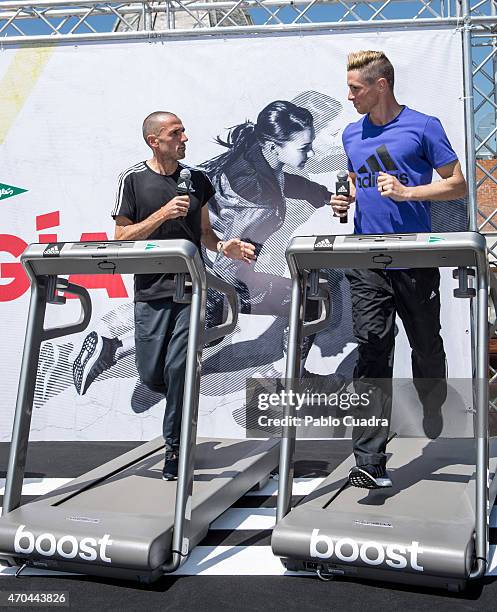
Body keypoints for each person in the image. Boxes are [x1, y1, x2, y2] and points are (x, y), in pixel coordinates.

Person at [331, 51, 467, 490]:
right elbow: (356, 178)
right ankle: (369, 459)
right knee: (373, 350)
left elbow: (457, 183)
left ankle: (432, 397)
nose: (349, 95)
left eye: (356, 88)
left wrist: (409, 193)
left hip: (416, 260)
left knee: (426, 346)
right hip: (367, 259)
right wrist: (346, 197)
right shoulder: (352, 133)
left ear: (381, 85)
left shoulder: (423, 126)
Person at [112, 110, 256, 480]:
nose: (184, 138)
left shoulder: (198, 181)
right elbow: (122, 237)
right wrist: (161, 214)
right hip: (150, 292)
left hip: (192, 289)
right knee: (151, 374)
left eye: (184, 132)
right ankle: (180, 390)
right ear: (154, 140)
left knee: (180, 368)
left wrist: (226, 247)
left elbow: (206, 234)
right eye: (176, 133)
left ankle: (175, 449)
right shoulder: (133, 180)